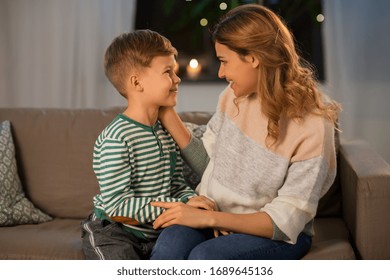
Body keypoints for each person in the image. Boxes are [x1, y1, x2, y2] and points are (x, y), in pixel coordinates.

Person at [150, 4, 341, 260]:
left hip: (275, 234)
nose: (221, 72)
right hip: (215, 214)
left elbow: (285, 220)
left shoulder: (313, 122)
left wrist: (209, 218)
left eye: (224, 61)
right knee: (168, 248)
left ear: (252, 58)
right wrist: (166, 112)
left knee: (205, 258)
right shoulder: (232, 97)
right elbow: (209, 162)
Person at [81, 30, 215, 260]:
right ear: (136, 82)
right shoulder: (117, 138)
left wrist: (189, 199)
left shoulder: (164, 132)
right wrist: (179, 204)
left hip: (155, 231)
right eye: (168, 72)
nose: (177, 78)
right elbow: (118, 206)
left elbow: (175, 184)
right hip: (115, 230)